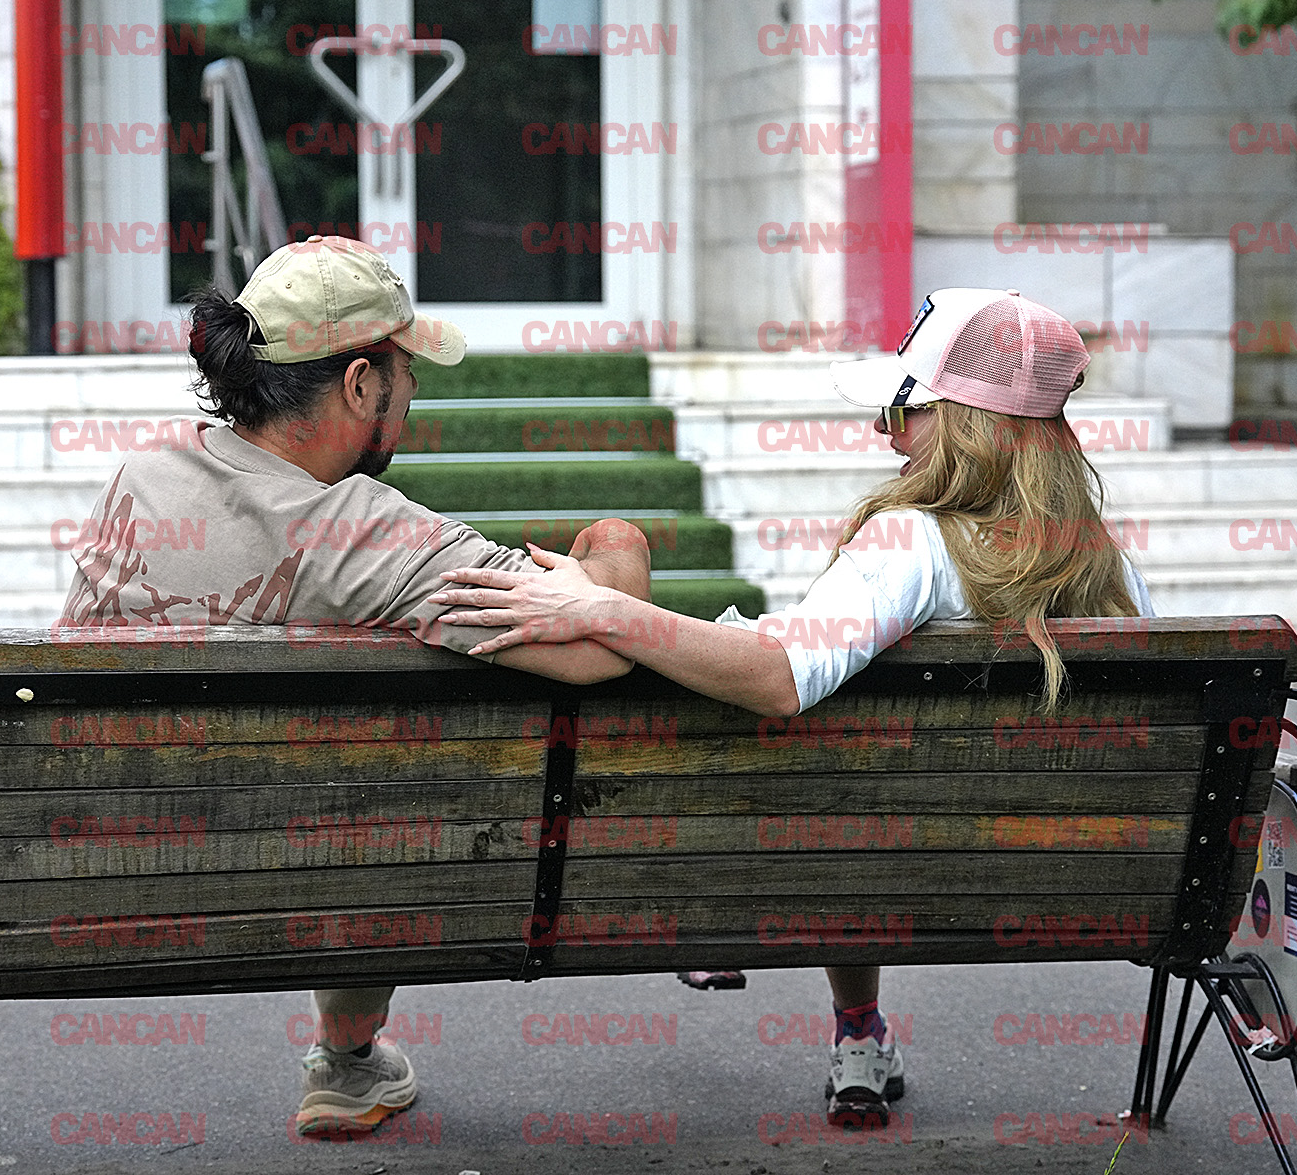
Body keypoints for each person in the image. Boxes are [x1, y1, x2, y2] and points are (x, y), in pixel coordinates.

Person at [428, 287, 1157, 1128]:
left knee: (826, 771)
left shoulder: (915, 544)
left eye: (902, 411)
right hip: (1073, 874)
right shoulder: (1109, 571)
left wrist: (605, 610)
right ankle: (860, 1029)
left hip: (862, 865)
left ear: (967, 425)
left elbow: (781, 679)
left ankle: (746, 942)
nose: (884, 433)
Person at [55, 235, 652, 1137]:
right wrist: (618, 548)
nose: (413, 394)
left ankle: (347, 1059)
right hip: (312, 876)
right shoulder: (372, 536)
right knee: (373, 804)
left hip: (96, 869)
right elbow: (602, 650)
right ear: (362, 383)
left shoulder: (142, 477)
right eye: (408, 372)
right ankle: (346, 1056)